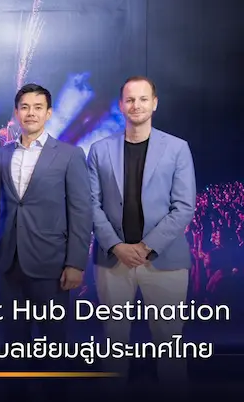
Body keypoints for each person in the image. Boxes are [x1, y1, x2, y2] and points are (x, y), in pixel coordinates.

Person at [88, 76, 196, 386]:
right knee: (113, 341)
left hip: (165, 260)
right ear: (121, 105)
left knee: (169, 343)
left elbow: (184, 206)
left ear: (155, 104)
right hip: (113, 260)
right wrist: (116, 245)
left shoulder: (177, 148)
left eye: (143, 99)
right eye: (130, 99)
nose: (136, 105)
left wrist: (147, 246)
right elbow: (91, 204)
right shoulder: (99, 150)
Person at [0, 84, 92, 374]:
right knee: (13, 345)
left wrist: (75, 263)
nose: (31, 113)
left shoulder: (70, 155)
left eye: (38, 107)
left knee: (54, 344)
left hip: (51, 264)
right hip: (7, 263)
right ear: (16, 113)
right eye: (25, 107)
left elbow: (81, 211)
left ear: (48, 113)